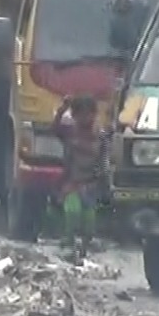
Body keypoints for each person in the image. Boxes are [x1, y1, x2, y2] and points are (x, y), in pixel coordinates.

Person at [57, 95, 107, 263]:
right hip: (71, 183)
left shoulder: (100, 136)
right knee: (72, 212)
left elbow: (104, 161)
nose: (85, 118)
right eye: (81, 114)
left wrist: (103, 180)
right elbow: (54, 129)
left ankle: (84, 248)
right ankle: (68, 242)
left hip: (90, 185)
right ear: (75, 115)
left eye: (89, 114)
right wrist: (62, 110)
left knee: (89, 220)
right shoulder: (70, 132)